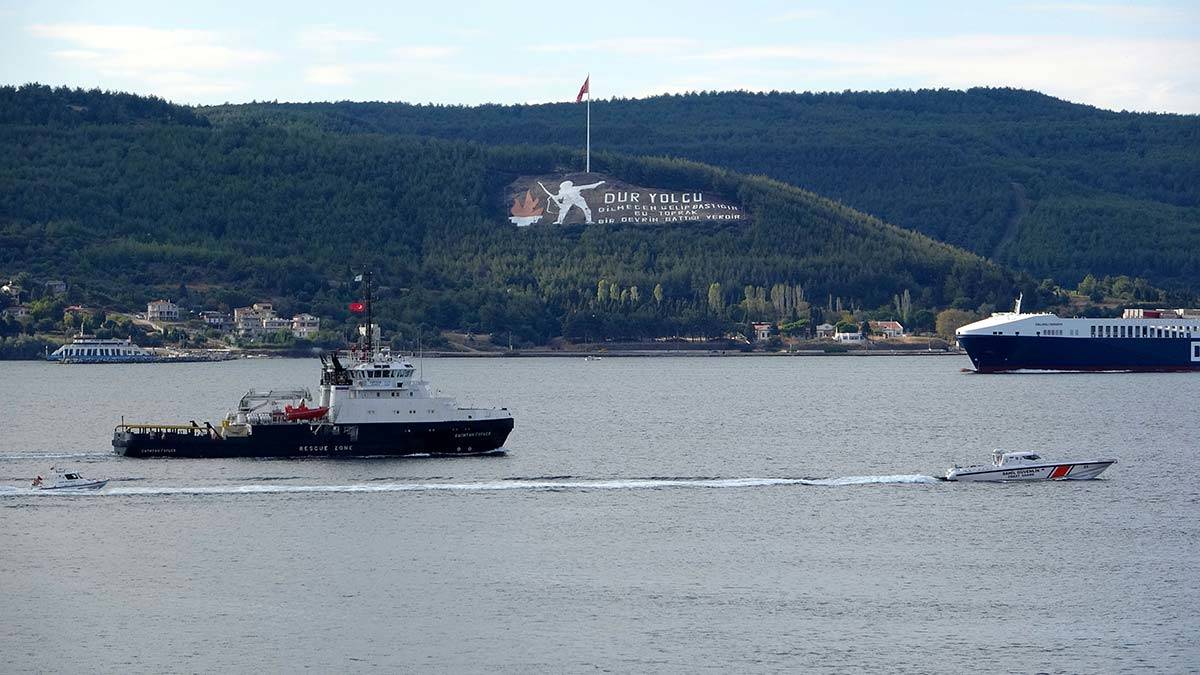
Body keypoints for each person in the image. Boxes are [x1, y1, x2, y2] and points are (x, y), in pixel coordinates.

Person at [541, 180, 605, 224]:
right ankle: (559, 221)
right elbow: (559, 197)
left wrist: (598, 183)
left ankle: (589, 221)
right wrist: (554, 197)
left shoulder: (575, 188)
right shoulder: (562, 191)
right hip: (567, 201)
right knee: (562, 211)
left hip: (578, 200)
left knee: (587, 209)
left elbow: (588, 186)